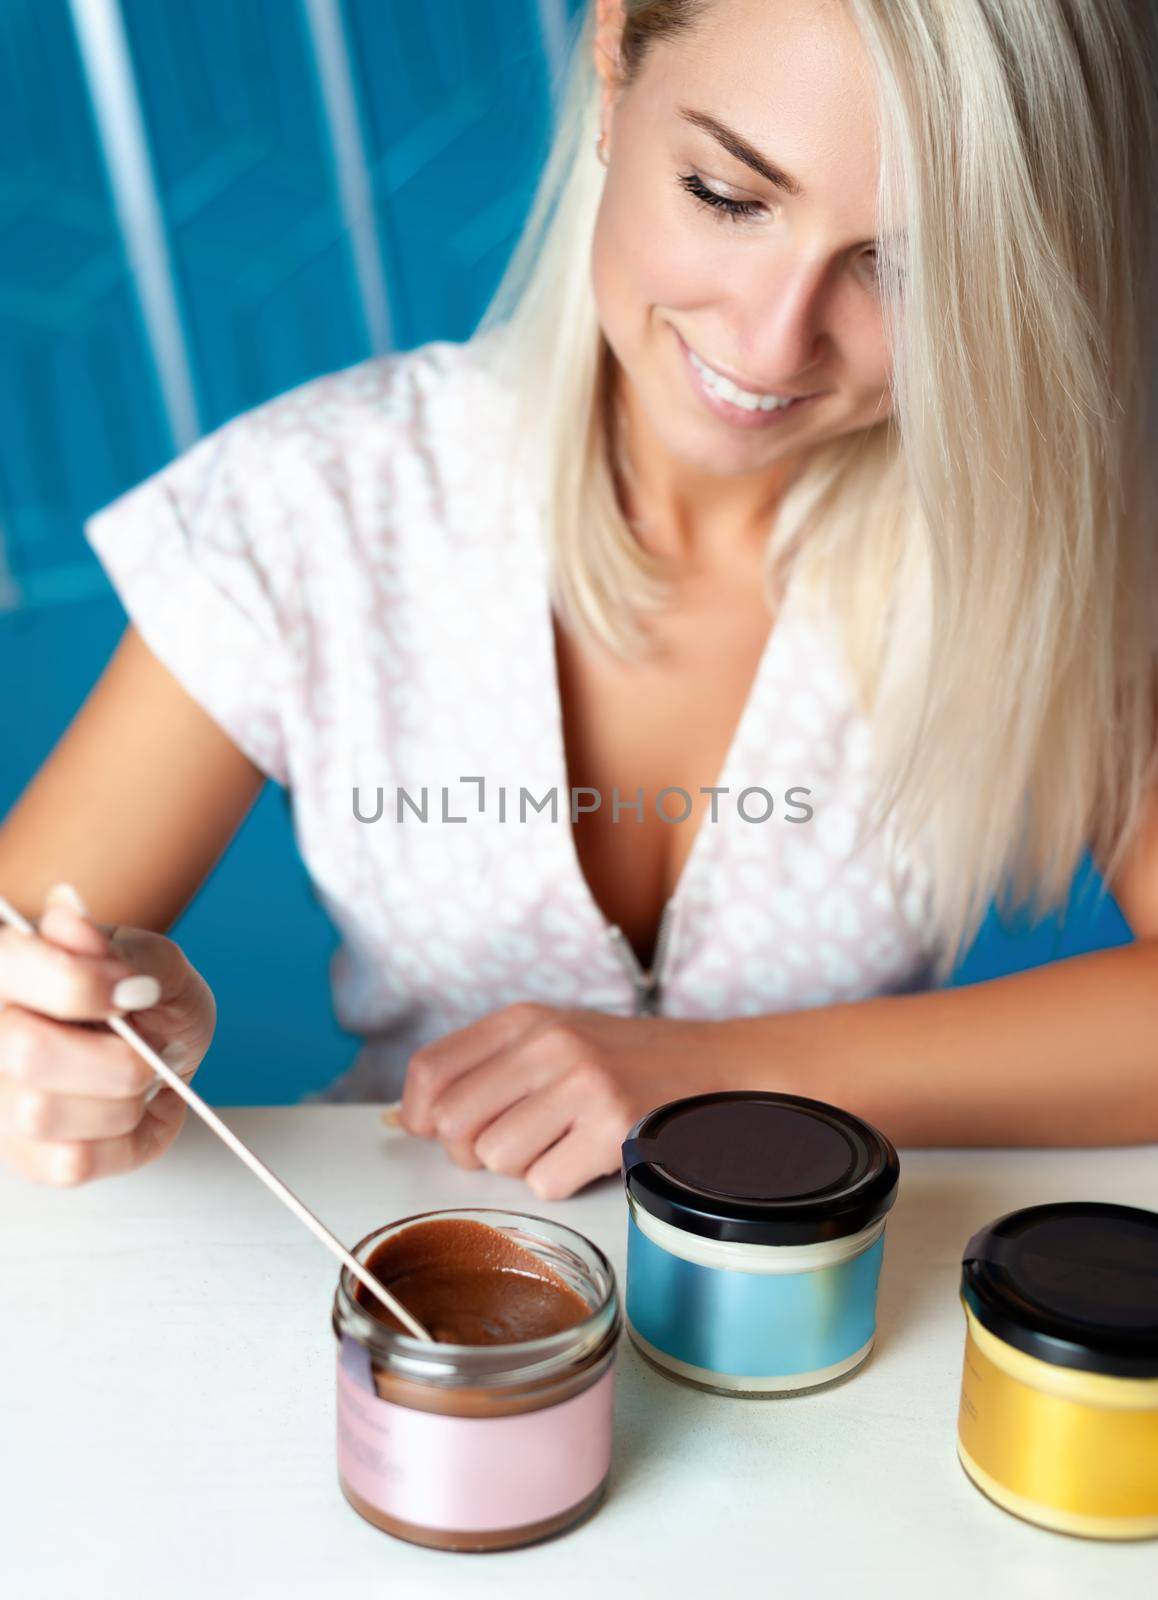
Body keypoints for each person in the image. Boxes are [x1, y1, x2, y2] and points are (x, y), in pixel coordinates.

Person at [2, 0, 1156, 1198]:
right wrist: (78, 1044)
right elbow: (20, 976)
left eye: (909, 265)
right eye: (726, 194)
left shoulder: (1054, 546)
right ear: (613, 70)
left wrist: (713, 1071)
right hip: (408, 1295)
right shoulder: (319, 502)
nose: (771, 343)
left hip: (830, 1314)